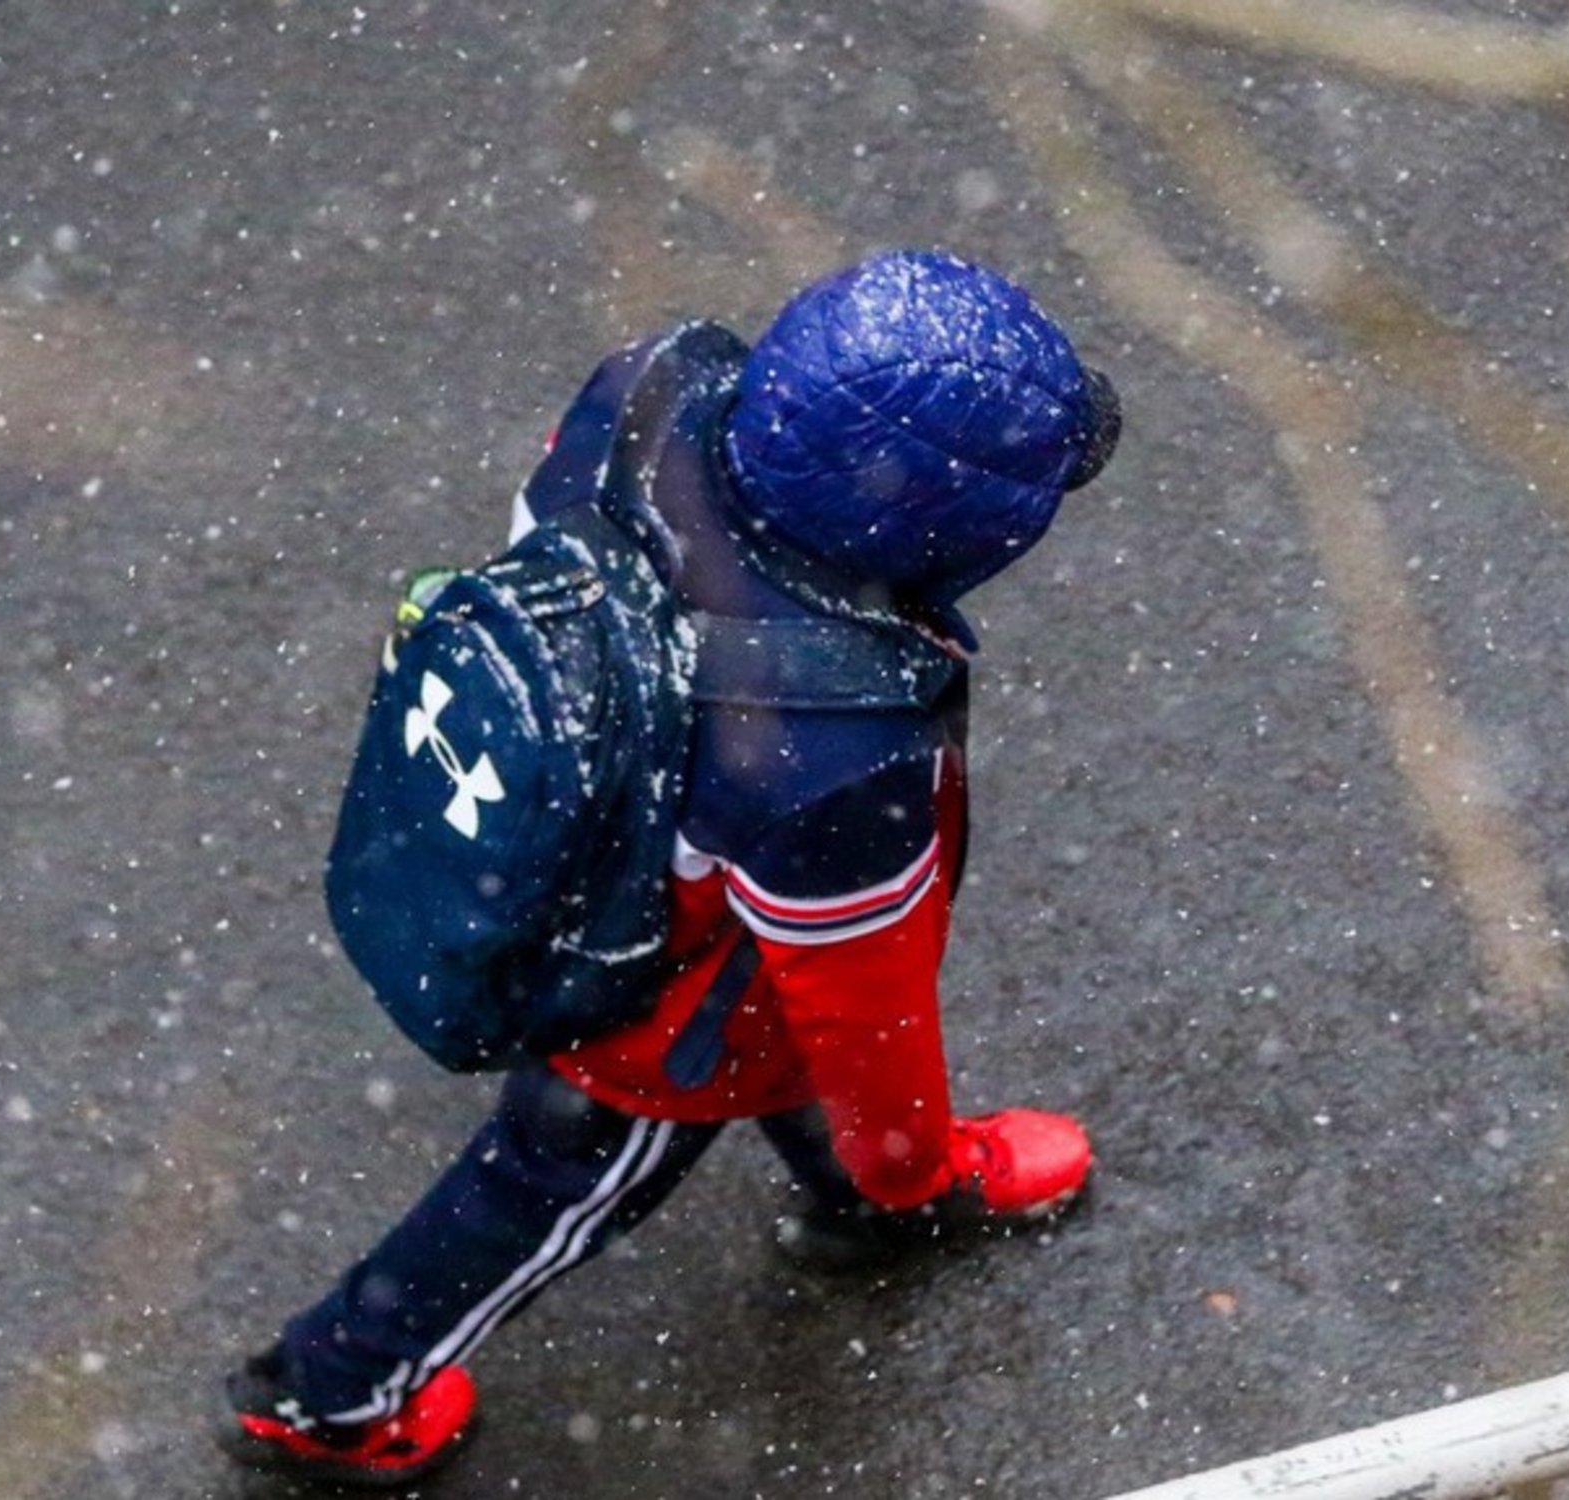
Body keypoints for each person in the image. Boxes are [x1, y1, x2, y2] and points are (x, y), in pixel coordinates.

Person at [217, 249, 1123, 1488]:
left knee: (769, 1059)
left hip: (568, 863)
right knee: (552, 1185)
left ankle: (861, 1202)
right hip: (659, 1013)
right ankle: (327, 1398)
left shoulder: (651, 392)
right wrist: (908, 1151)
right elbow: (862, 1008)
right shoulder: (831, 747)